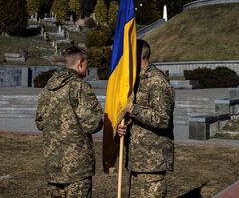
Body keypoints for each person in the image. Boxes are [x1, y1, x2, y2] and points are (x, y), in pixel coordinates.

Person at [36, 46, 103, 198]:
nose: (87, 69)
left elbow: (40, 122)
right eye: (87, 64)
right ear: (80, 63)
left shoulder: (48, 88)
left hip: (53, 166)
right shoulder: (80, 86)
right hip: (76, 169)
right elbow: (92, 124)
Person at [118, 39, 175, 198]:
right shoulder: (136, 81)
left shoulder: (157, 81)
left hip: (152, 163)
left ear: (136, 57)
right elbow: (135, 118)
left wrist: (132, 108)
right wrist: (122, 126)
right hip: (136, 161)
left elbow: (163, 119)